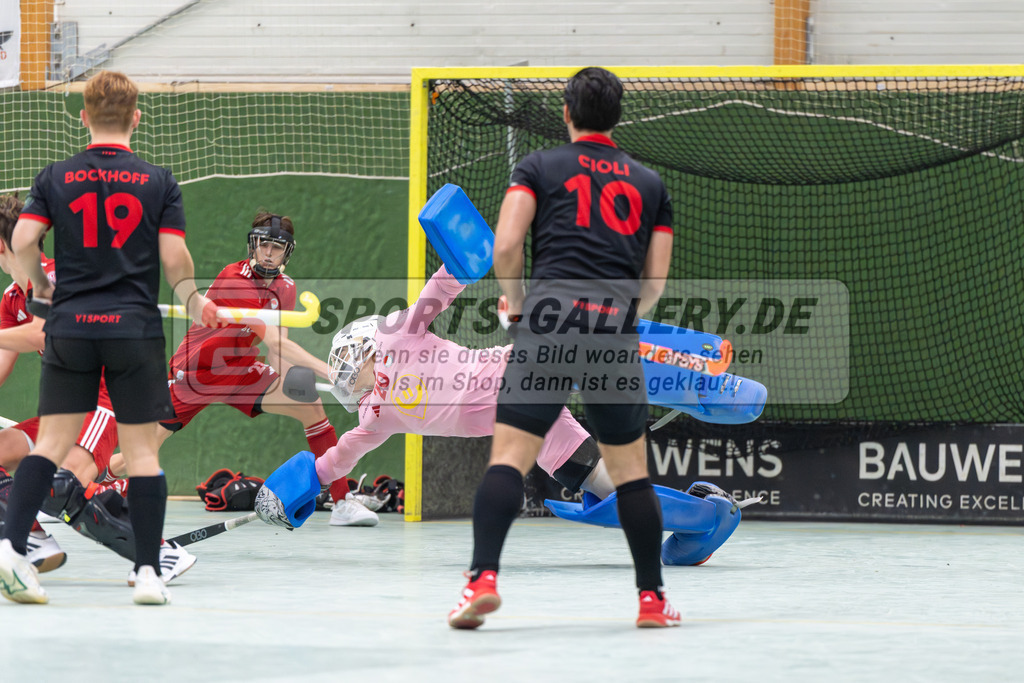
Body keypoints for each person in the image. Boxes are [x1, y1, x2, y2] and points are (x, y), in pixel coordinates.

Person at [448, 67, 678, 629]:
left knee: (509, 459)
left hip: (546, 326)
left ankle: (481, 581)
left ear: (567, 112)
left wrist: (517, 304)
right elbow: (653, 284)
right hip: (612, 331)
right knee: (630, 474)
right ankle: (651, 600)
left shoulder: (537, 167)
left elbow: (506, 246)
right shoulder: (650, 185)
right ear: (617, 116)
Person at [0, 70, 221, 606]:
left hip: (71, 328)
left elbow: (25, 239)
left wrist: (45, 290)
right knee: (142, 455)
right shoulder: (158, 181)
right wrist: (193, 300)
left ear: (83, 117)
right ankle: (148, 573)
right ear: (136, 118)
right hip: (133, 330)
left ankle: (10, 550)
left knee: (51, 446)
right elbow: (174, 257)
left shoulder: (54, 176)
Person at [308, 264, 612, 522]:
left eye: (346, 356)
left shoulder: (397, 334)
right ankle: (640, 503)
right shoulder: (374, 417)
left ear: (366, 349)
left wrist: (456, 262)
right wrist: (309, 479)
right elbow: (344, 453)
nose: (342, 367)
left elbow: (436, 294)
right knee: (586, 473)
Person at [155, 212, 362, 522]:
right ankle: (85, 486)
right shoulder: (234, 279)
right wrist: (334, 372)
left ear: (287, 252)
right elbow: (277, 343)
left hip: (240, 368)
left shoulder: (286, 288)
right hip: (197, 373)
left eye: (276, 247)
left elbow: (279, 358)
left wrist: (306, 384)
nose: (268, 252)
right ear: (252, 245)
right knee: (144, 446)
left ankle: (342, 502)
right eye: (263, 245)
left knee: (311, 405)